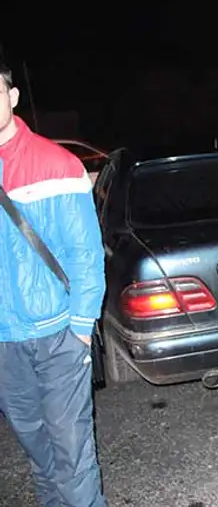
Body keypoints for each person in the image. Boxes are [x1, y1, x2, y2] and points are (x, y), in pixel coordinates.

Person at [0, 61, 107, 506]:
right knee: (39, 456)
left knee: (72, 455)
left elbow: (86, 254)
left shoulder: (55, 163)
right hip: (6, 343)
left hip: (58, 333)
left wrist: (80, 329)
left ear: (12, 97)